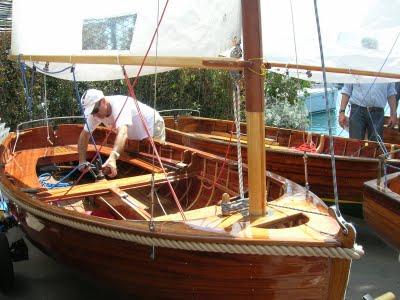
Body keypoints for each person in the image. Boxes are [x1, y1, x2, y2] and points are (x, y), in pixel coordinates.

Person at [78, 89, 165, 178]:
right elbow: (84, 135)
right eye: (91, 112)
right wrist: (82, 161)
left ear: (103, 101)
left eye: (95, 110)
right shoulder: (95, 114)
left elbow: (123, 132)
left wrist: (113, 157)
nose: (94, 115)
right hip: (135, 135)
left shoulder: (119, 105)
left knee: (156, 162)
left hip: (153, 125)